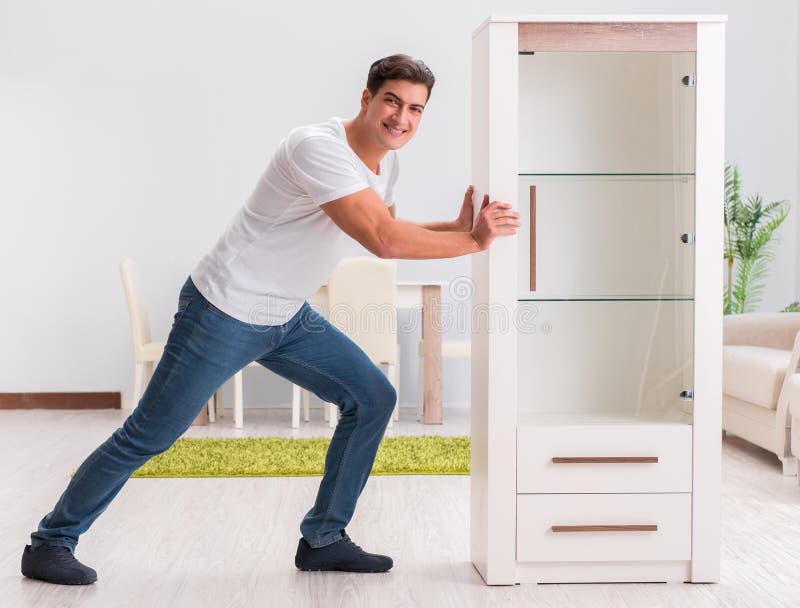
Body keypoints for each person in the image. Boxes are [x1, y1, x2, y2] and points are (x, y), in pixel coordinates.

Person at [21, 54, 520, 585]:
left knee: (373, 396)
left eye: (415, 109)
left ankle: (324, 539)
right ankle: (50, 542)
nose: (402, 117)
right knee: (151, 434)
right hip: (224, 311)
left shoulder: (385, 162)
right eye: (393, 101)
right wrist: (470, 242)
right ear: (367, 99)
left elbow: (383, 228)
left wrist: (453, 225)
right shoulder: (317, 147)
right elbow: (381, 239)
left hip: (286, 316)